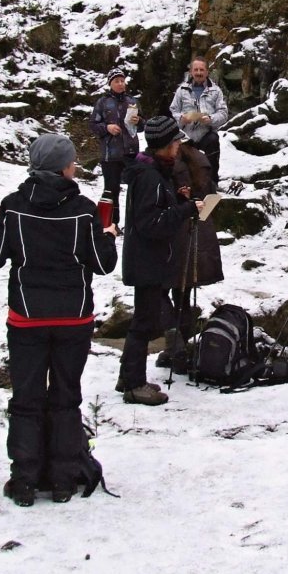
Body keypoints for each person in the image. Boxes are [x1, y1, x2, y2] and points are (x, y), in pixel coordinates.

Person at [0, 134, 118, 507]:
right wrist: (108, 237)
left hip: (27, 317)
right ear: (65, 167)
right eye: (72, 161)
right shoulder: (84, 210)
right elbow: (103, 264)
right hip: (74, 318)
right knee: (65, 397)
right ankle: (62, 479)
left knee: (26, 398)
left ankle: (24, 479)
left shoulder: (13, 206)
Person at [118, 115, 204, 406]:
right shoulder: (149, 177)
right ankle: (134, 384)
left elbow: (155, 211)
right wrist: (185, 210)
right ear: (165, 145)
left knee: (143, 321)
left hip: (147, 259)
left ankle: (128, 377)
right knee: (144, 323)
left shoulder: (154, 172)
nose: (179, 146)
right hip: (147, 261)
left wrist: (177, 201)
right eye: (176, 142)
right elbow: (151, 223)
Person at [155, 140, 224, 374]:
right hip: (199, 234)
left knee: (159, 289)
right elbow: (212, 195)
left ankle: (175, 346)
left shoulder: (170, 164)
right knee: (182, 294)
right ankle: (178, 350)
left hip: (175, 234)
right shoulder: (201, 159)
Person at [89, 67, 143, 227]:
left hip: (131, 152)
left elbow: (143, 126)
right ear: (110, 83)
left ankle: (134, 223)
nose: (120, 84)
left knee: (136, 189)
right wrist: (107, 128)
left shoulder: (133, 101)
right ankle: (110, 224)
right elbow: (93, 125)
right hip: (110, 154)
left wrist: (139, 121)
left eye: (122, 81)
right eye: (117, 81)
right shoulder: (102, 102)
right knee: (111, 190)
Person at [170, 56, 228, 183]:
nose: (198, 73)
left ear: (207, 72)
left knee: (213, 141)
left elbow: (223, 113)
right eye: (196, 70)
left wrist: (210, 119)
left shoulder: (216, 91)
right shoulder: (181, 90)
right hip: (186, 134)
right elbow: (173, 111)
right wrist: (181, 118)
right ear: (191, 72)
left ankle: (212, 182)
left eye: (202, 70)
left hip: (206, 133)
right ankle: (184, 184)